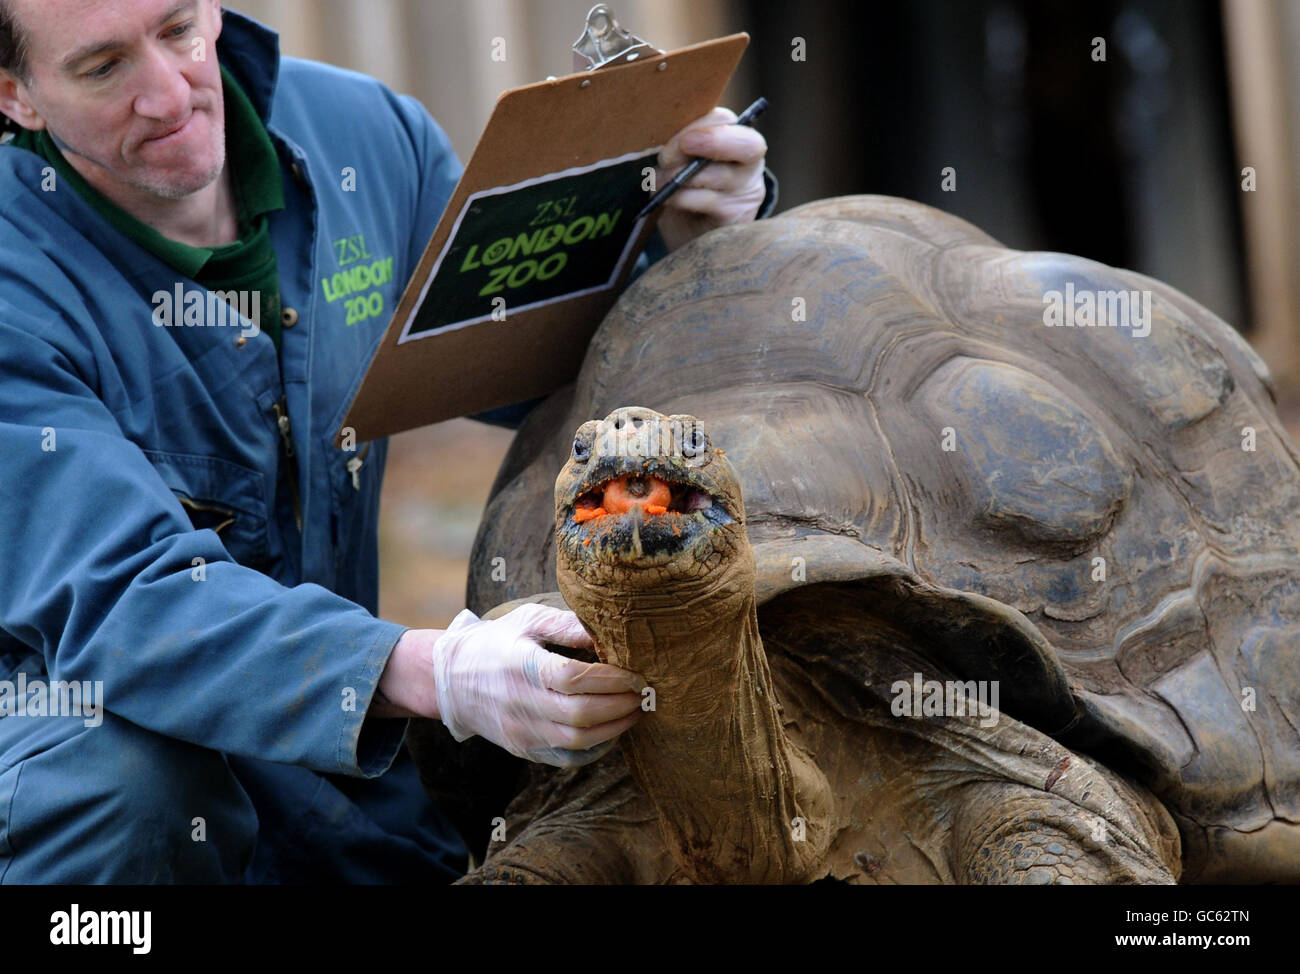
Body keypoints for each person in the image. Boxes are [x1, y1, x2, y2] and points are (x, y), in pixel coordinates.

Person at [0, 0, 772, 882]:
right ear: (16, 95)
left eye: (178, 29)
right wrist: (431, 672)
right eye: (103, 69)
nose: (170, 94)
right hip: (67, 738)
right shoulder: (16, 286)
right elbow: (120, 599)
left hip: (332, 750)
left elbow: (536, 369)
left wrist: (680, 239)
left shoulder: (364, 139)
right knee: (126, 792)